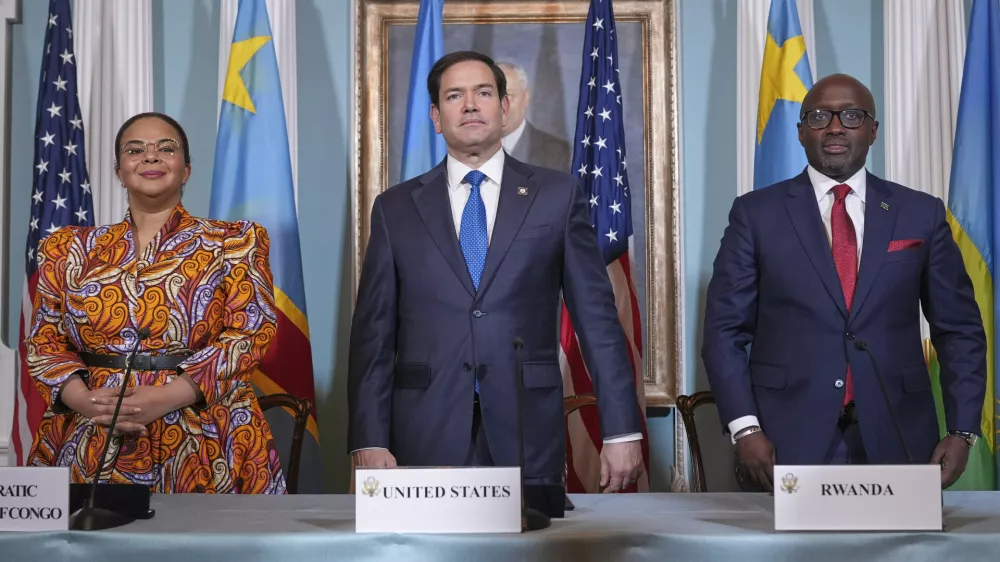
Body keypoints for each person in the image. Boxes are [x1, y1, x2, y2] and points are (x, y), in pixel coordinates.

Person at [348, 51, 644, 492]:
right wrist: (367, 438)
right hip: (423, 438)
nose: (470, 105)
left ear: (505, 109)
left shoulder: (556, 196)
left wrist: (622, 430)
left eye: (483, 93)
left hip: (526, 432)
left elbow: (598, 321)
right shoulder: (395, 209)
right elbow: (373, 338)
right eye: (455, 95)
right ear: (436, 115)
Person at [702, 73, 986, 490]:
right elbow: (724, 332)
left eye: (852, 115)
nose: (835, 126)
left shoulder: (921, 213)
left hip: (900, 439)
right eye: (819, 116)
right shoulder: (755, 215)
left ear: (873, 131)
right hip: (784, 441)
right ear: (801, 133)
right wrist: (746, 429)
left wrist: (962, 431)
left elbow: (959, 329)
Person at [26, 112, 285, 494]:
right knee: (88, 552)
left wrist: (164, 398)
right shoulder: (67, 248)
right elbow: (44, 342)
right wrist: (86, 401)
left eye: (167, 148)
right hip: (89, 432)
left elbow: (251, 334)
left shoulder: (235, 241)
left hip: (206, 434)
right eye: (135, 150)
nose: (150, 157)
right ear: (119, 170)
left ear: (187, 170)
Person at [497, 61, 573, 173]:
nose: (501, 104)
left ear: (526, 97)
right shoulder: (467, 148)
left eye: (509, 95)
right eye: (493, 95)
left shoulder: (558, 153)